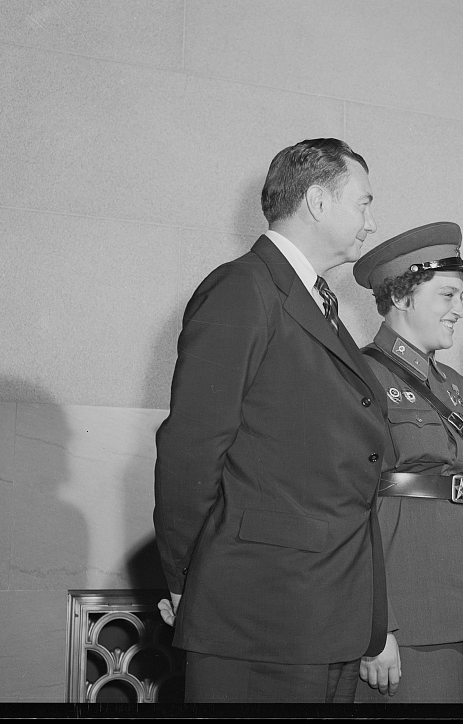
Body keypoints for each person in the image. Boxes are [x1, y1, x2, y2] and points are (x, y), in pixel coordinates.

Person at [152, 138, 398, 703]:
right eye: (362, 202)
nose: (371, 219)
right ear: (317, 201)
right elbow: (192, 448)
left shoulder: (314, 301)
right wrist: (193, 581)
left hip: (327, 610)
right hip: (257, 612)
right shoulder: (243, 288)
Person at [350, 222, 463, 703]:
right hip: (408, 603)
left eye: (460, 296)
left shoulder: (455, 385)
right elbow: (350, 508)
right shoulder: (359, 376)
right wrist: (375, 626)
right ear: (402, 297)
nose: (460, 310)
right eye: (447, 295)